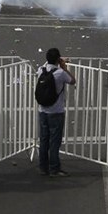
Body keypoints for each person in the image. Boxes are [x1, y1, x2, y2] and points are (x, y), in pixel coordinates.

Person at [36, 48, 76, 177]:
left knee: (43, 139)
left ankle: (43, 167)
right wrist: (64, 67)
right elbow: (72, 80)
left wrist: (57, 60)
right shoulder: (60, 73)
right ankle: (54, 168)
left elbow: (46, 64)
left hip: (42, 110)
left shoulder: (40, 70)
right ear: (58, 59)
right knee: (54, 141)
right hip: (56, 111)